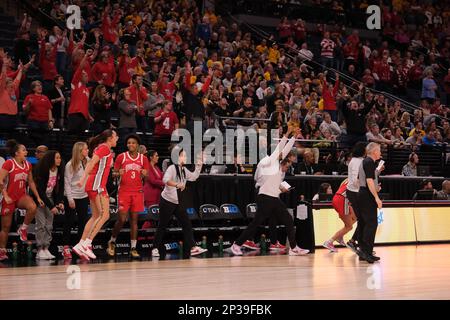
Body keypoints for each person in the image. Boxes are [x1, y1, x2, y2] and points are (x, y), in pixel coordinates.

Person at [231, 133, 309, 256]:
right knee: (256, 223)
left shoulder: (278, 167)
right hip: (265, 197)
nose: (282, 154)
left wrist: (293, 137)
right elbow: (279, 150)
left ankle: (294, 248)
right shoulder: (268, 162)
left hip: (273, 198)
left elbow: (286, 150)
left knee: (288, 220)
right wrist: (286, 135)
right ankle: (236, 244)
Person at [151, 148, 207, 258]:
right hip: (167, 201)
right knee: (162, 225)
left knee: (186, 224)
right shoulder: (172, 168)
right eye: (183, 155)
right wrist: (177, 184)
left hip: (178, 202)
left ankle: (193, 248)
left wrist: (199, 165)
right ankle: (155, 248)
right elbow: (165, 180)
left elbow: (194, 177)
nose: (185, 158)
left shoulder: (184, 170)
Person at [72, 129, 119, 260]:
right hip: (96, 185)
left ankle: (81, 244)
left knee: (96, 216)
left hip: (95, 184)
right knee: (105, 215)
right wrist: (82, 179)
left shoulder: (104, 149)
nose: (117, 138)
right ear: (109, 138)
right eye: (116, 136)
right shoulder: (104, 148)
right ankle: (87, 243)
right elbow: (91, 163)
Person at [107, 134, 149, 259]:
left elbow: (146, 177)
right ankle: (112, 241)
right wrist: (117, 173)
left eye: (133, 143)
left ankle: (133, 248)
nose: (131, 145)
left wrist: (145, 174)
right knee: (122, 219)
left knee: (134, 221)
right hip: (124, 192)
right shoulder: (121, 157)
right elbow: (113, 174)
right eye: (129, 143)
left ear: (137, 145)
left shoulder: (143, 159)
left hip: (137, 192)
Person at [0, 140, 43, 261]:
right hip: (8, 198)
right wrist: (6, 195)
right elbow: (0, 180)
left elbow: (31, 182)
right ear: (16, 153)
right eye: (23, 150)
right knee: (6, 227)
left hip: (20, 196)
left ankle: (23, 228)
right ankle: (2, 251)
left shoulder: (28, 164)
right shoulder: (9, 163)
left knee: (33, 207)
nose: (26, 151)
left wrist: (38, 196)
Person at [33, 150, 65, 260]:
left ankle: (46, 248)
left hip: (50, 198)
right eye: (57, 158)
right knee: (41, 224)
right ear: (51, 159)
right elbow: (40, 191)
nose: (59, 160)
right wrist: (51, 206)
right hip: (40, 200)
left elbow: (60, 188)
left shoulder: (59, 170)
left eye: (60, 157)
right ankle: (39, 249)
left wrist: (60, 202)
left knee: (49, 225)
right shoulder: (42, 170)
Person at [63, 142, 90, 259]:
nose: (87, 150)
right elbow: (67, 183)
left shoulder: (88, 161)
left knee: (83, 223)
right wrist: (70, 199)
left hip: (84, 196)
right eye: (85, 149)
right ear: (79, 151)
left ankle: (81, 247)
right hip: (72, 196)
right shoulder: (70, 164)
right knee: (69, 222)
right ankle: (65, 247)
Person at [357, 142, 382, 263]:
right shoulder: (369, 162)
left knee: (365, 223)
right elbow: (369, 181)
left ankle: (364, 251)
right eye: (379, 150)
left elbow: (359, 181)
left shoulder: (366, 162)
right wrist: (376, 197)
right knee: (371, 223)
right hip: (366, 195)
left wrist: (374, 188)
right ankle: (366, 252)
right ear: (374, 151)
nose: (380, 153)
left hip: (363, 193)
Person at [322, 179, 357, 252]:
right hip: (343, 200)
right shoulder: (358, 179)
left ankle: (340, 236)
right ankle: (329, 242)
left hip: (338, 198)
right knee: (349, 226)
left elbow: (341, 187)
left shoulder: (347, 179)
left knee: (355, 217)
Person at [345, 142, 366, 253]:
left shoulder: (357, 161)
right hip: (355, 192)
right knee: (364, 219)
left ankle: (358, 243)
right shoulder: (357, 162)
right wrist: (365, 188)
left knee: (363, 220)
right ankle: (356, 242)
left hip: (355, 192)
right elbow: (354, 180)